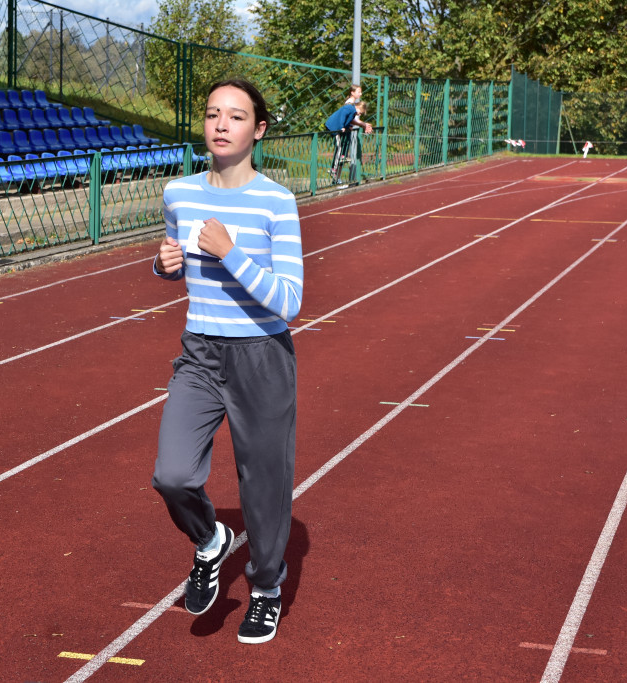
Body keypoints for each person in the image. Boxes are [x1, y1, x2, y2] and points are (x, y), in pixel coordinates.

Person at [151, 79, 304, 645]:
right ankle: (210, 540)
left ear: (257, 130)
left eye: (235, 117)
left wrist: (230, 252)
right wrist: (164, 266)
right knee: (172, 474)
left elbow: (289, 301)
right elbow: (174, 260)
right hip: (200, 352)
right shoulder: (180, 193)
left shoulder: (276, 201)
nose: (221, 125)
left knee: (263, 485)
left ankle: (265, 588)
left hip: (262, 356)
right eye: (213, 114)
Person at [325, 98, 373, 187]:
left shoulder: (353, 113)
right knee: (338, 146)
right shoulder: (350, 108)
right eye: (360, 112)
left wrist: (349, 126)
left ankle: (343, 156)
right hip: (333, 127)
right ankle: (333, 169)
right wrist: (341, 126)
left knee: (345, 141)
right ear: (358, 107)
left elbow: (348, 120)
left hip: (339, 127)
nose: (359, 114)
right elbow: (342, 116)